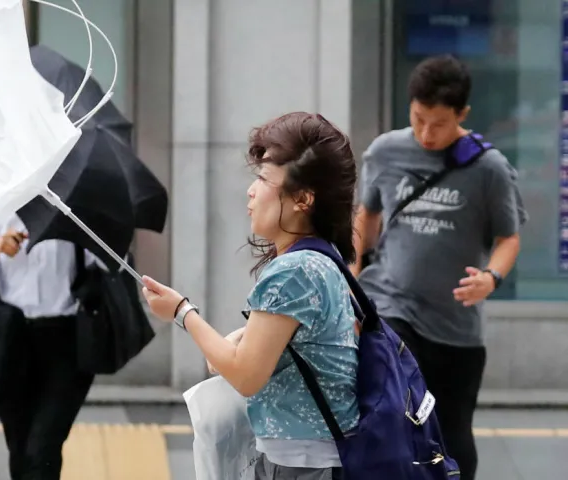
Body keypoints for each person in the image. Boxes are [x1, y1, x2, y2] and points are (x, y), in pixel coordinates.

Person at [142, 112, 358, 480]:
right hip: (318, 457)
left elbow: (245, 376)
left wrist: (182, 312)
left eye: (263, 179)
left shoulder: (295, 271)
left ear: (302, 199)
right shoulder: (321, 257)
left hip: (300, 464)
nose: (251, 190)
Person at [351, 55, 526, 480]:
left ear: (463, 115)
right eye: (418, 119)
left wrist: (491, 278)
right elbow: (366, 216)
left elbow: (509, 237)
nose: (427, 133)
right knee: (392, 413)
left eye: (439, 124)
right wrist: (352, 276)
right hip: (391, 306)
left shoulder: (489, 168)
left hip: (455, 329)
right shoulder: (385, 152)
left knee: (451, 434)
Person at [0, 213, 104, 480]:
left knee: (43, 445)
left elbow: (109, 264)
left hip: (66, 343)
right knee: (21, 447)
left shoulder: (72, 213)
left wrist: (100, 233)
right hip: (10, 342)